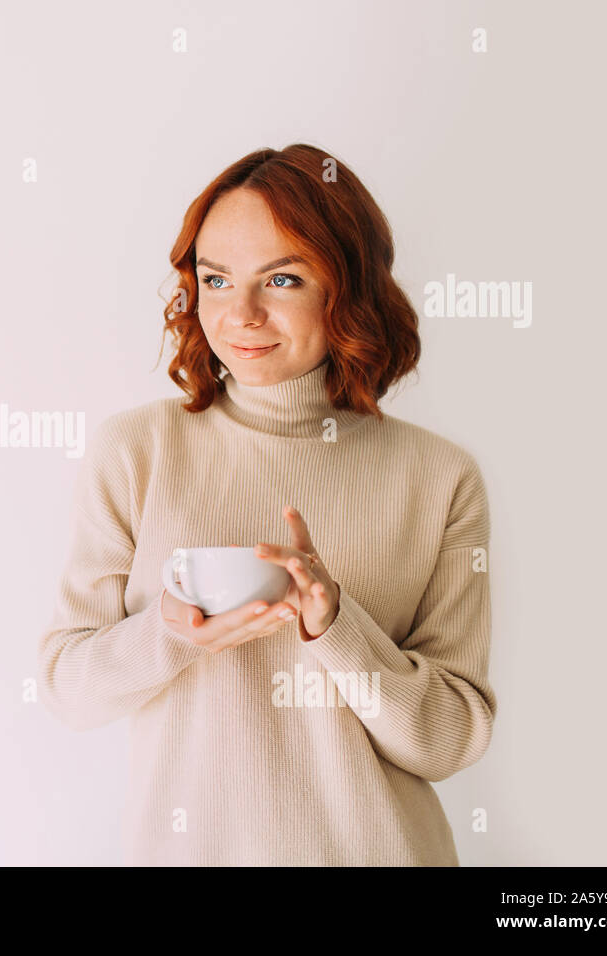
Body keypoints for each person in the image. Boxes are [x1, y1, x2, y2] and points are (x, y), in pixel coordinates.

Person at [36, 144, 496, 866]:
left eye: (280, 278)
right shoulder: (136, 451)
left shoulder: (439, 476)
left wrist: (337, 627)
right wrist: (171, 632)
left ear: (347, 288)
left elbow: (450, 740)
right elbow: (67, 688)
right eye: (216, 279)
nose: (240, 313)